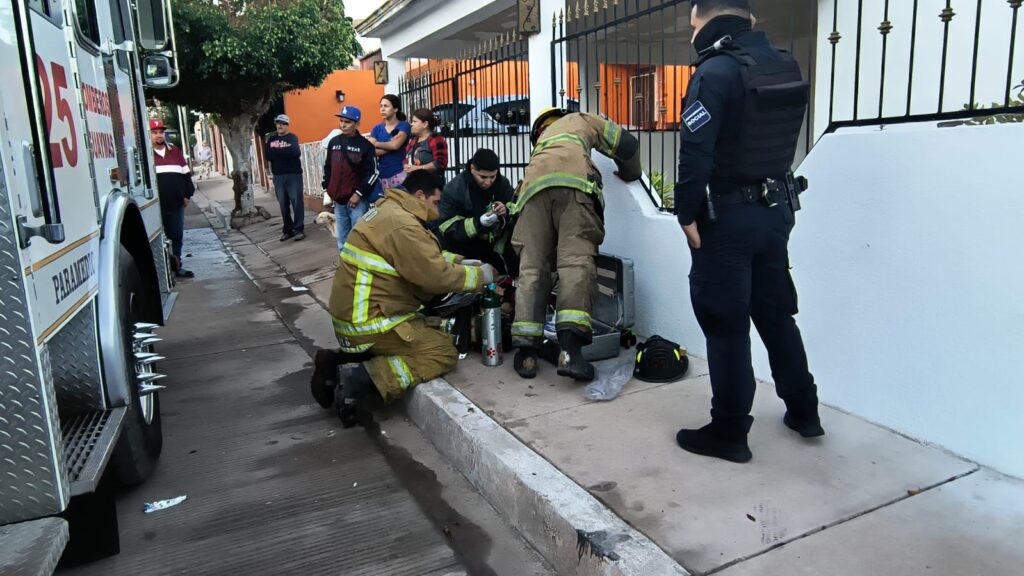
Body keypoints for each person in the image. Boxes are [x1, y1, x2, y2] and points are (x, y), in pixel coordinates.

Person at [673, 0, 821, 464]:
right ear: (748, 18)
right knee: (776, 315)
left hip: (729, 221)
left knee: (726, 325)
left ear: (701, 16)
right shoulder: (783, 63)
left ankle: (730, 432)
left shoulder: (714, 72)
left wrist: (686, 214)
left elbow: (696, 154)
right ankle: (804, 412)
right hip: (776, 213)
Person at [309, 170, 497, 426]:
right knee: (441, 350)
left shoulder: (390, 211)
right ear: (420, 195)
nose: (438, 209)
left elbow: (420, 255)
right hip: (372, 322)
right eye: (435, 202)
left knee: (427, 327)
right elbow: (433, 276)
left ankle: (337, 363)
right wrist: (480, 276)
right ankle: (358, 379)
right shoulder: (402, 224)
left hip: (358, 317)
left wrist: (461, 261)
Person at [510, 109, 641, 382]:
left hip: (531, 194)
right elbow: (627, 144)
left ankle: (526, 354)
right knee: (574, 263)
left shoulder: (540, 150)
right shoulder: (580, 119)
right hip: (574, 188)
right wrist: (631, 174)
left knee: (532, 269)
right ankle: (571, 354)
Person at [437, 148, 517, 274]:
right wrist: (478, 223)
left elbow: (515, 207)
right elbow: (447, 228)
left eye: (492, 176)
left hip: (495, 250)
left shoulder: (502, 183)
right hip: (464, 250)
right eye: (483, 177)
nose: (488, 182)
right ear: (473, 169)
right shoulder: (454, 189)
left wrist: (505, 210)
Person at [323, 106, 381, 250]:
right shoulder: (334, 142)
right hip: (338, 201)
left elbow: (373, 173)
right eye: (341, 121)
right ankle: (346, 268)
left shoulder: (365, 146)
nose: (342, 125)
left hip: (357, 201)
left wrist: (358, 194)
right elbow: (328, 167)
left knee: (359, 238)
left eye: (347, 122)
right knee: (342, 239)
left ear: (356, 124)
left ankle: (360, 268)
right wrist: (328, 188)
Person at [151, 118, 195, 278]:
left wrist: (187, 195)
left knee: (176, 236)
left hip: (176, 204)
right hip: (156, 206)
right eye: (154, 133)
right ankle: (160, 272)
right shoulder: (146, 155)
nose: (158, 135)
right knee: (158, 239)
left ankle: (177, 266)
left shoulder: (174, 151)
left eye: (161, 132)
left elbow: (186, 175)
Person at [265, 114, 306, 241]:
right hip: (278, 176)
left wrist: (278, 152)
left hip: (293, 175)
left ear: (287, 125)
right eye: (278, 123)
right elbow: (268, 155)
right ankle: (288, 230)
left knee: (296, 202)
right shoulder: (271, 140)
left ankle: (298, 229)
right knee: (283, 204)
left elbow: (295, 152)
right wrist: (284, 151)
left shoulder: (292, 137)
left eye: (283, 123)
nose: (280, 126)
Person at [366, 95, 412, 190]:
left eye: (386, 106)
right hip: (381, 176)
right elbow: (371, 151)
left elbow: (395, 145)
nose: (382, 109)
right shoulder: (377, 128)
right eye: (381, 106)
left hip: (400, 174)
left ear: (395, 109)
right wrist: (391, 145)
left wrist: (376, 143)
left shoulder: (404, 125)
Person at [404, 108, 448, 177]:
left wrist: (418, 168)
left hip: (431, 184)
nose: (411, 124)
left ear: (425, 124)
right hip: (413, 183)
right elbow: (406, 156)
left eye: (415, 122)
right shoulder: (414, 140)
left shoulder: (436, 139)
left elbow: (440, 163)